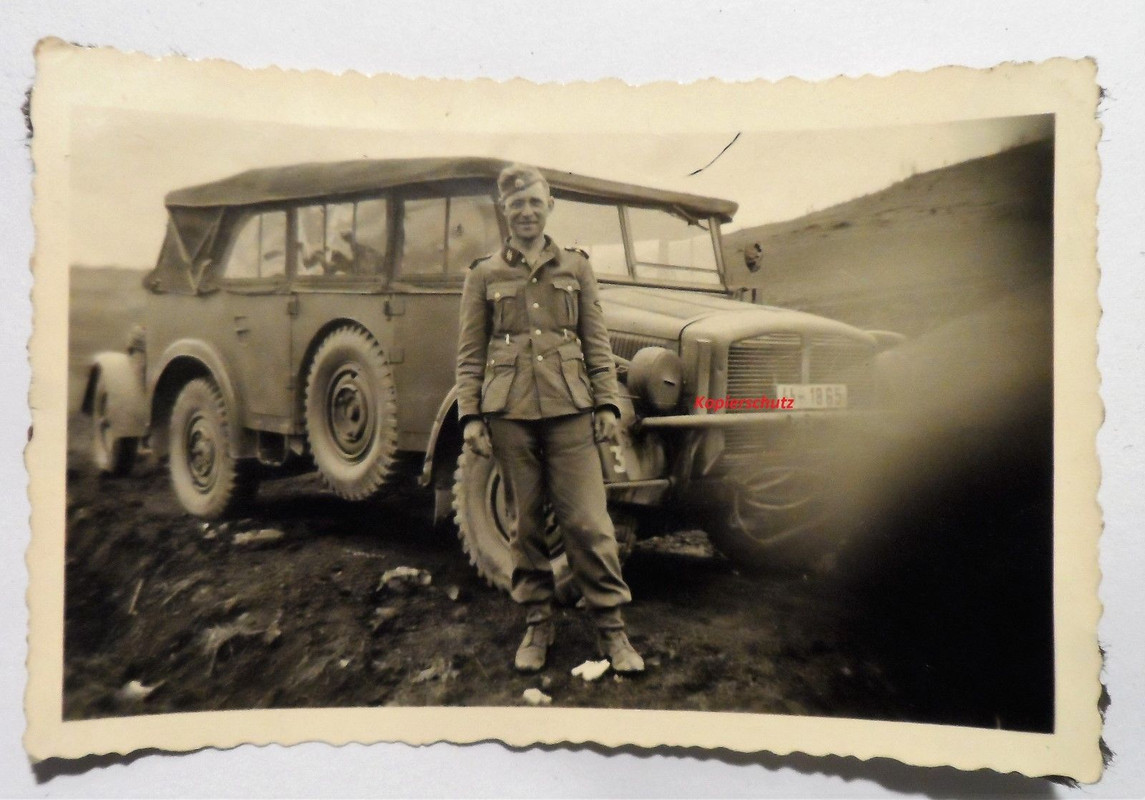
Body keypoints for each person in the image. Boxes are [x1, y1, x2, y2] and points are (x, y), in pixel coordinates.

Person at [455, 163, 644, 674]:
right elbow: (471, 354)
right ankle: (537, 625)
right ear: (504, 210)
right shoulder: (483, 274)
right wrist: (470, 416)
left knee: (588, 522)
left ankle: (612, 631)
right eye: (516, 204)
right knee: (525, 527)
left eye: (534, 203)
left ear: (549, 207)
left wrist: (606, 404)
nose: (526, 212)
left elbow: (597, 343)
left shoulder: (577, 268)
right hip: (509, 415)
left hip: (569, 411)